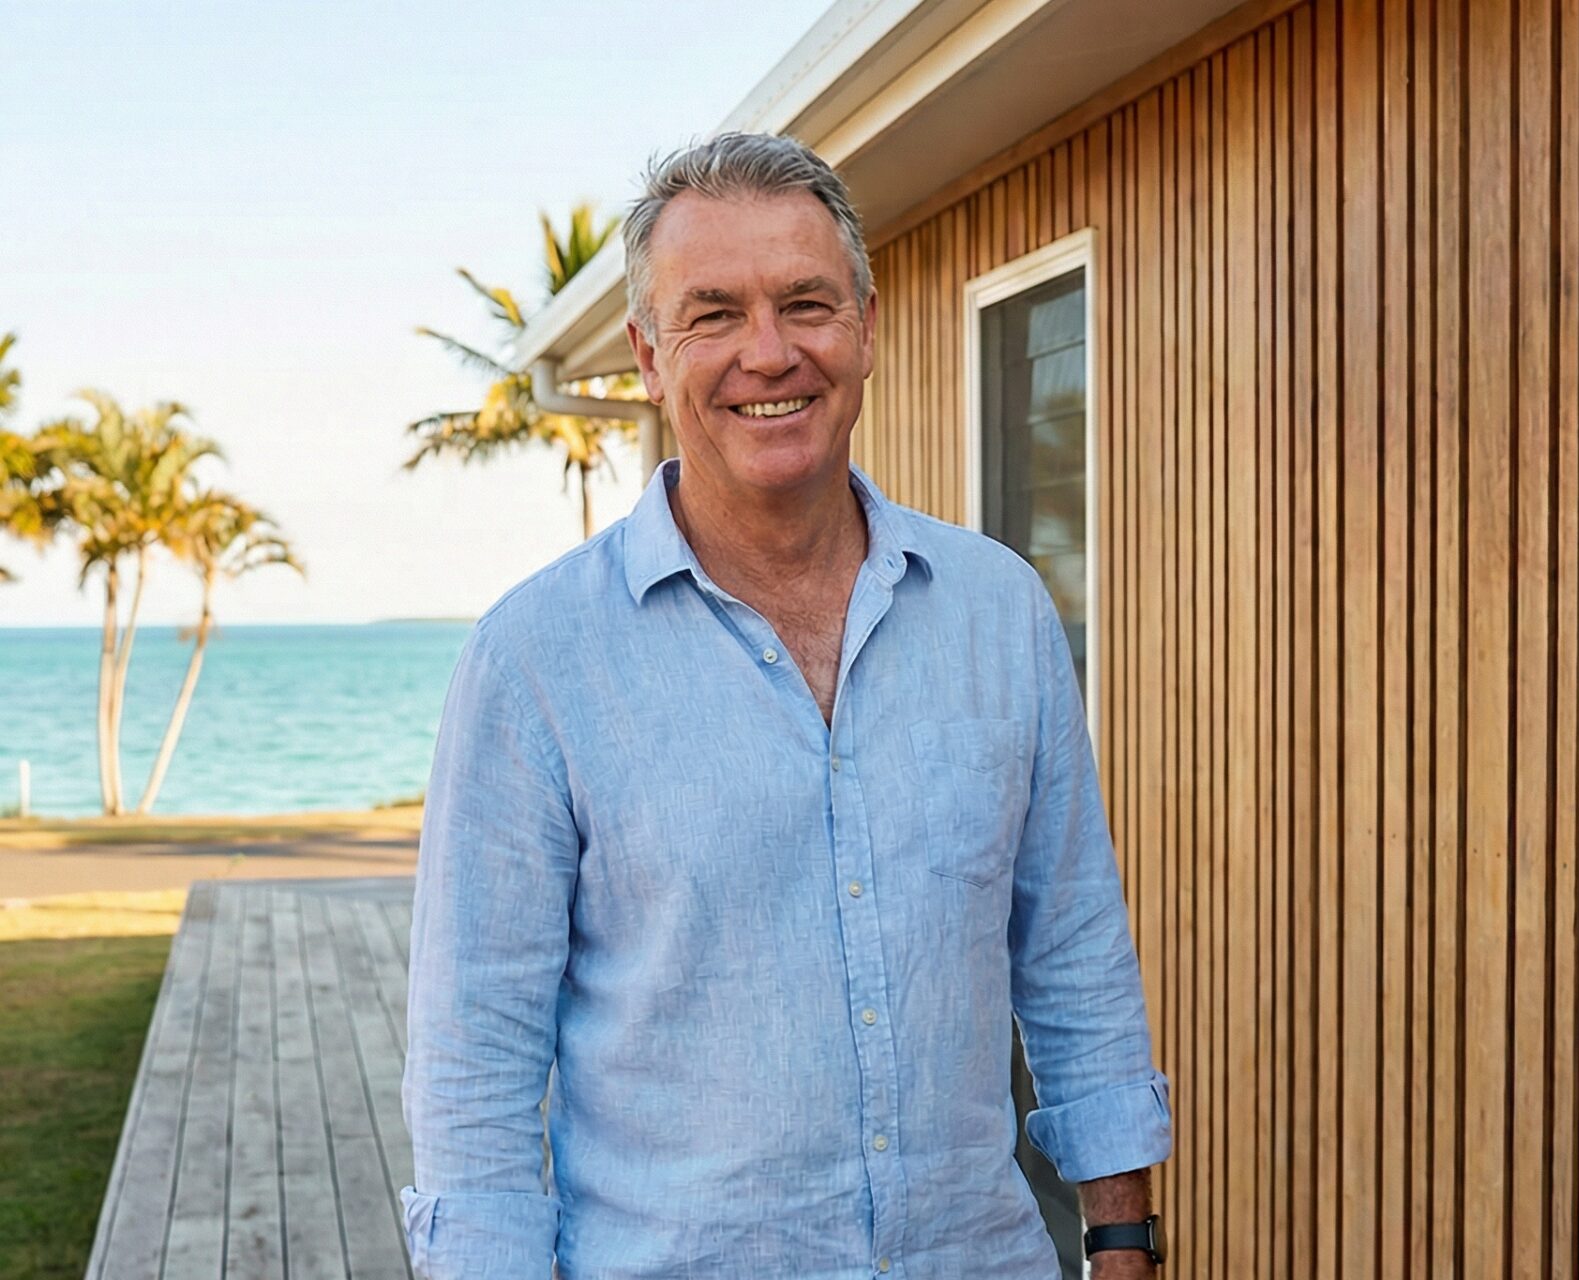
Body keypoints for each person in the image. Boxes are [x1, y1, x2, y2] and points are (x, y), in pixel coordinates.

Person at [399, 132, 1171, 1279]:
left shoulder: (999, 612)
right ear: (650, 356)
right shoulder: (533, 661)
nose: (769, 352)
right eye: (713, 314)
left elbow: (1073, 957)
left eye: (806, 302)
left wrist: (1121, 1238)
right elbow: (475, 1066)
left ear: (865, 323)